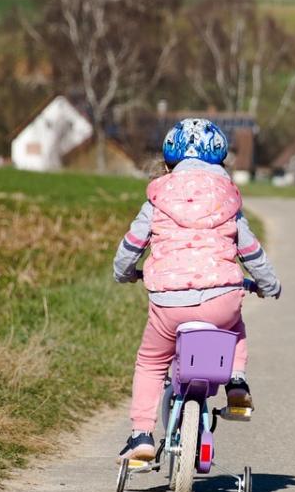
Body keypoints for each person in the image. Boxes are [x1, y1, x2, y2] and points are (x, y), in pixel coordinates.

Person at [112, 118, 281, 461]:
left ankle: (141, 434)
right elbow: (250, 252)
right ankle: (236, 382)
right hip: (221, 297)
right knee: (234, 328)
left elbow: (131, 246)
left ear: (168, 162)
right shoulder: (228, 200)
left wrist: (125, 273)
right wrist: (267, 284)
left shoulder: (157, 199)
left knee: (151, 362)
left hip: (168, 303)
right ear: (221, 161)